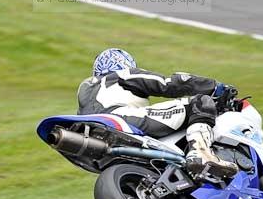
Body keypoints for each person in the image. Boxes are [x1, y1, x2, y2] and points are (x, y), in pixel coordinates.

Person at [77, 47, 238, 179]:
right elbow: (169, 84)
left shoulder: (85, 88)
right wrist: (214, 87)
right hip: (122, 120)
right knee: (200, 102)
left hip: (93, 135)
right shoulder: (123, 75)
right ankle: (201, 153)